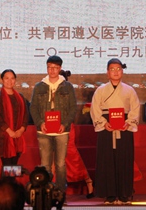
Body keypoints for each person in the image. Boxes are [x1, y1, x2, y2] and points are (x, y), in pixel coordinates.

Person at [90, 58, 140, 205]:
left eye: (118, 69)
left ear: (122, 71)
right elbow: (95, 109)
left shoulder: (129, 90)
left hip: (124, 126)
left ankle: (125, 194)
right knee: (107, 160)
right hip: (106, 127)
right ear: (107, 72)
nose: (116, 72)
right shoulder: (100, 90)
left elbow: (135, 108)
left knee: (125, 159)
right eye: (112, 69)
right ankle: (109, 195)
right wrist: (103, 123)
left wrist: (128, 122)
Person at [30, 55, 77, 195]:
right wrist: (40, 123)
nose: (52, 70)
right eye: (49, 67)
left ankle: (60, 192)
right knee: (45, 164)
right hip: (43, 131)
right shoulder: (39, 86)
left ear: (60, 68)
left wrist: (65, 124)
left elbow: (73, 108)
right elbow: (33, 107)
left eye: (55, 68)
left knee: (60, 164)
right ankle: (46, 193)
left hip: (62, 131)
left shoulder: (67, 86)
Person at [56, 69, 94, 198]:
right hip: (52, 127)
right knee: (55, 157)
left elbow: (72, 111)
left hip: (66, 127)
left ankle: (88, 181)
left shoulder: (69, 92)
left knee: (72, 156)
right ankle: (58, 190)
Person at [0, 69, 29, 171]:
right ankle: (7, 181)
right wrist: (9, 132)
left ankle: (11, 181)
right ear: (2, 80)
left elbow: (25, 115)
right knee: (7, 166)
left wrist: (21, 130)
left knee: (14, 167)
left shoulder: (20, 97)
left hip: (18, 137)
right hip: (4, 137)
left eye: (12, 78)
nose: (9, 81)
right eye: (6, 78)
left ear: (15, 80)